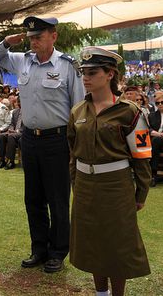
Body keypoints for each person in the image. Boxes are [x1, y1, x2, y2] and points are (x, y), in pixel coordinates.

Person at [0, 16, 84, 273]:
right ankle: (39, 249)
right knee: (33, 198)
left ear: (53, 36)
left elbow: (78, 108)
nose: (33, 42)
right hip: (30, 137)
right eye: (30, 38)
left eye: (38, 37)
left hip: (57, 139)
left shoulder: (67, 66)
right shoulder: (23, 61)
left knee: (57, 199)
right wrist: (6, 41)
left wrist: (75, 146)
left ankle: (57, 252)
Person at [68, 47, 151, 296]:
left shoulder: (130, 112)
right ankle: (100, 293)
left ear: (110, 74)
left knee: (117, 243)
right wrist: (76, 183)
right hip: (85, 184)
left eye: (93, 72)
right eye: (84, 73)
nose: (86, 78)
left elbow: (142, 155)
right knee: (92, 240)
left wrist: (141, 193)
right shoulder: (77, 111)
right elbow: (72, 152)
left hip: (116, 185)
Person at [0, 96, 23, 170]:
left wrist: (17, 131)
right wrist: (11, 129)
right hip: (13, 131)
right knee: (2, 135)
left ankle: (11, 161)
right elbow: (12, 124)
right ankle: (2, 159)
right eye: (18, 102)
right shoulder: (15, 111)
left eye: (21, 102)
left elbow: (28, 125)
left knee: (11, 136)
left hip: (22, 132)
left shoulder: (29, 112)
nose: (19, 103)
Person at [148, 91, 163, 187]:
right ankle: (153, 175)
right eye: (158, 103)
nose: (160, 105)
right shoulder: (152, 115)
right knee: (156, 141)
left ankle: (153, 175)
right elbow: (148, 129)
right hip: (157, 141)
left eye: (162, 102)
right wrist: (159, 134)